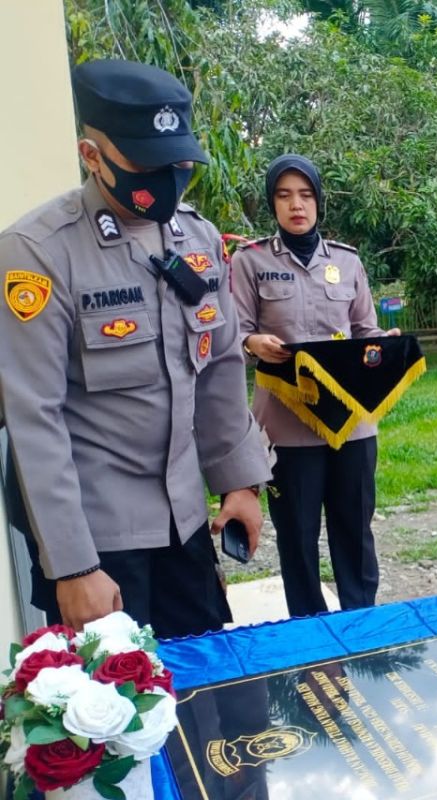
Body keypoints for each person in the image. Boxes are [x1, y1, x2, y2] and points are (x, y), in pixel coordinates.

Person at [0, 60, 271, 636]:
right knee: (115, 715)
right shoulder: (37, 253)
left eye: (178, 163)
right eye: (147, 164)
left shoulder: (196, 237)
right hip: (98, 541)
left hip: (186, 526)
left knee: (208, 704)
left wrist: (240, 483)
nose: (167, 178)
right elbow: (34, 418)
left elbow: (220, 366)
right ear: (91, 155)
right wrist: (73, 566)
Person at [231, 154, 399, 618]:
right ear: (273, 204)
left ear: (319, 202)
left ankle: (361, 622)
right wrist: (252, 341)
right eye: (284, 196)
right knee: (297, 535)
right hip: (287, 426)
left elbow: (365, 329)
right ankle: (308, 633)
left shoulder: (346, 262)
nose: (296, 205)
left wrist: (383, 344)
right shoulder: (251, 262)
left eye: (305, 195)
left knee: (354, 530)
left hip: (351, 422)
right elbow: (234, 330)